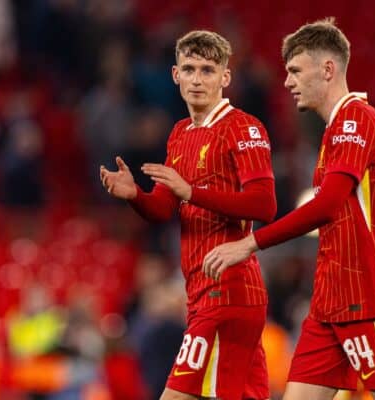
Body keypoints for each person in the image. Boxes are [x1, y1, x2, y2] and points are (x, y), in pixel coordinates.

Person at [203, 18, 375, 400]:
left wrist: (249, 244)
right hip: (330, 301)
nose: (288, 82)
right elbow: (367, 211)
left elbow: (327, 205)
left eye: (295, 70)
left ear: (327, 69)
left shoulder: (354, 120)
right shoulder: (342, 128)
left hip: (366, 297)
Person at [100, 30, 275, 400]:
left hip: (229, 291)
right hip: (199, 293)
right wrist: (135, 196)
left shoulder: (243, 127)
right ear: (175, 75)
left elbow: (264, 204)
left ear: (225, 77)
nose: (198, 79)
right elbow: (164, 207)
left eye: (208, 70)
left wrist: (192, 192)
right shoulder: (180, 133)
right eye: (190, 69)